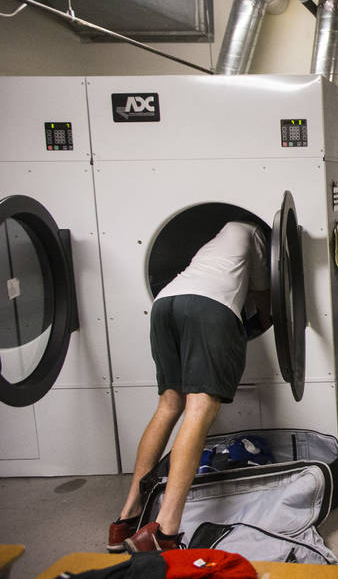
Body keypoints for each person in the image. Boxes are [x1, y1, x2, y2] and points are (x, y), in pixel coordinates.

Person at [108, 220, 269, 552]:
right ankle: (166, 531)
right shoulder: (251, 230)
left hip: (165, 304)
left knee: (169, 406)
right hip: (210, 308)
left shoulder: (209, 246)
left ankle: (126, 518)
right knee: (199, 410)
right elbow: (264, 293)